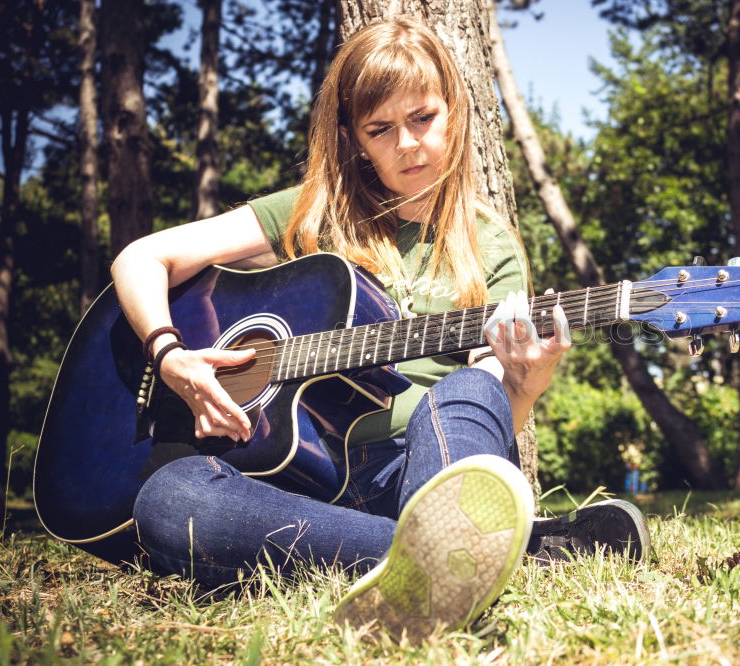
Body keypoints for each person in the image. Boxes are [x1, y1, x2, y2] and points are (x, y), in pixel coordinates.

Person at [111, 18, 649, 641]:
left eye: (423, 117)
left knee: (468, 392)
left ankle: (429, 554)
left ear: (454, 111)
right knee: (168, 498)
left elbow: (494, 409)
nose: (409, 145)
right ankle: (481, 558)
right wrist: (169, 352)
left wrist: (529, 380)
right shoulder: (318, 211)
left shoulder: (490, 247)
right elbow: (141, 257)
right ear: (353, 137)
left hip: (421, 471)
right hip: (296, 486)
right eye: (381, 129)